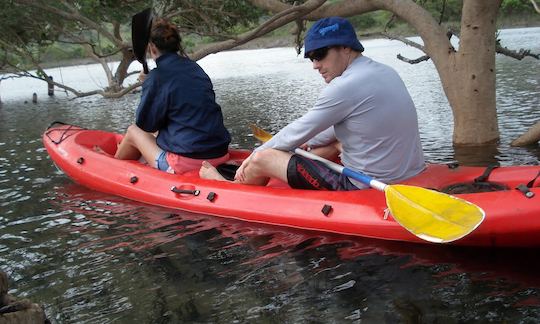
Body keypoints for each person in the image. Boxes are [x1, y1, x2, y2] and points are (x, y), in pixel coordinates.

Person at [200, 17, 425, 190]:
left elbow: (298, 131)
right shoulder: (385, 71)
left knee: (263, 158)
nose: (315, 65)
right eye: (311, 57)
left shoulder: (344, 87)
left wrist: (252, 157)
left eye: (320, 54)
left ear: (346, 47)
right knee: (327, 143)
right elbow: (320, 131)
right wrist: (306, 144)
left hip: (364, 184)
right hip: (408, 174)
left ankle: (226, 185)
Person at [114, 19, 231, 174]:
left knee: (133, 131)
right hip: (220, 154)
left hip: (188, 162)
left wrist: (147, 84)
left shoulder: (157, 77)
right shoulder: (195, 68)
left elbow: (145, 125)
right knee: (155, 133)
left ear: (152, 47)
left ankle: (113, 166)